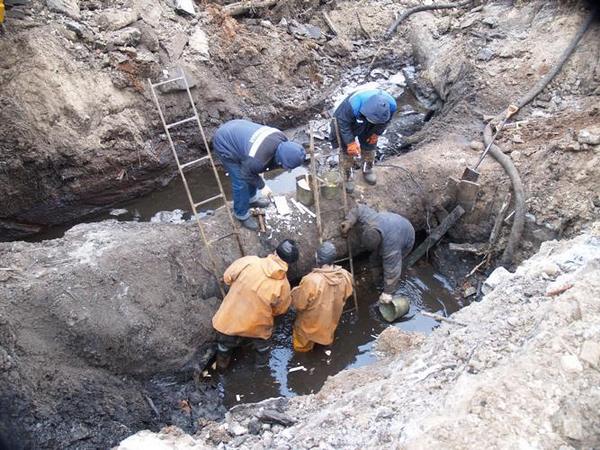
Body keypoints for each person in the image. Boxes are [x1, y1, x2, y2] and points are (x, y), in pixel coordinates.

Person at [212, 239, 299, 369]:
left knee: (224, 346)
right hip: (257, 327)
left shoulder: (249, 261)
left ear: (275, 251)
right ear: (289, 263)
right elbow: (280, 310)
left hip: (228, 320)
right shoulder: (284, 285)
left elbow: (227, 278)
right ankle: (261, 370)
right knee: (263, 348)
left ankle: (221, 367)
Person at [213, 119, 306, 230]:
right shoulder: (257, 160)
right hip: (225, 141)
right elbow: (246, 173)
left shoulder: (282, 139)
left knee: (253, 172)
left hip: (238, 129)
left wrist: (258, 173)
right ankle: (241, 214)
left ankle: (251, 200)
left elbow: (256, 168)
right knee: (241, 182)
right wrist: (262, 186)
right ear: (280, 158)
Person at [340, 204, 414, 303]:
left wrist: (388, 293)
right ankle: (377, 277)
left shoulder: (391, 247)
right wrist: (349, 221)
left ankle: (384, 284)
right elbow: (359, 209)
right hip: (391, 223)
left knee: (389, 264)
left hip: (406, 237)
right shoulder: (370, 220)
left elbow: (392, 270)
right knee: (375, 258)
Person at [291, 241, 354, 352]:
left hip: (308, 327)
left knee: (301, 347)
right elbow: (347, 294)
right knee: (325, 340)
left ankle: (302, 360)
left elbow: (299, 304)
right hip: (329, 324)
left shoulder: (311, 280)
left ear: (318, 259)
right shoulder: (345, 275)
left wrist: (295, 291)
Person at [331, 89, 397, 193]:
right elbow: (343, 125)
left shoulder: (391, 105)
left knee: (370, 144)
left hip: (375, 121)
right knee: (347, 149)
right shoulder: (352, 106)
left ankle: (367, 169)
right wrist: (350, 142)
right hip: (349, 120)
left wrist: (376, 133)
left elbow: (386, 121)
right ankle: (347, 175)